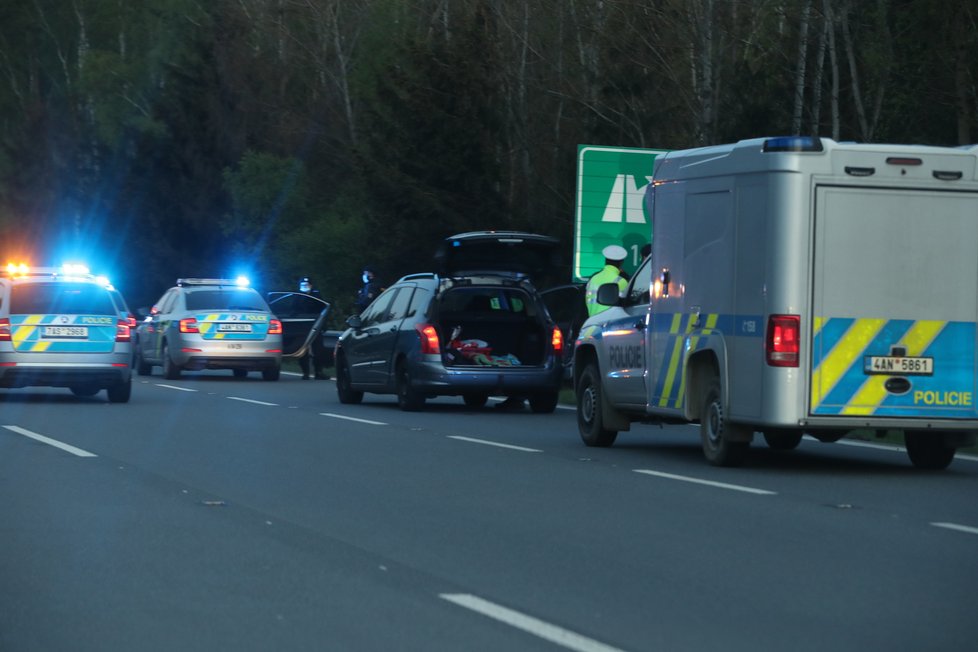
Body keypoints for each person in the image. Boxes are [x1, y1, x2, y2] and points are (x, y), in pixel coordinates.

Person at [297, 276, 328, 380]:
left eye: (307, 285)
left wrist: (323, 325)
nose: (305, 287)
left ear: (311, 285)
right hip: (302, 327)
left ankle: (318, 372)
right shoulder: (297, 296)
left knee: (318, 350)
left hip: (315, 327)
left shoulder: (316, 295)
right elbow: (294, 311)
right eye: (303, 285)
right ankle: (305, 372)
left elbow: (323, 310)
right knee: (303, 351)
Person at [585, 244, 629, 316]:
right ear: (621, 262)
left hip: (592, 322)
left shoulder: (593, 279)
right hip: (609, 323)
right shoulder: (621, 281)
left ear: (606, 260)